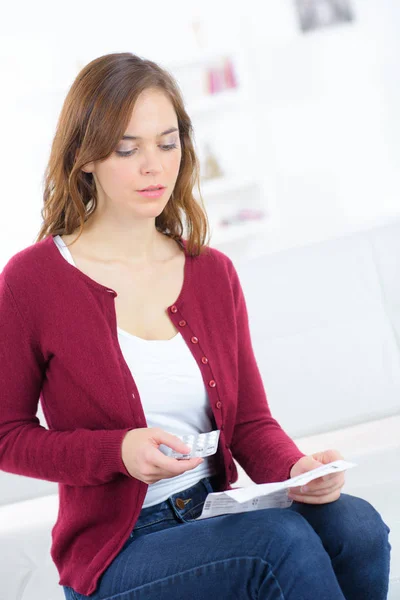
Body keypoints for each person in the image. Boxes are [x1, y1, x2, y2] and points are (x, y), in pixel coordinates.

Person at [0, 52, 390, 600]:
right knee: (276, 543)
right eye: (126, 148)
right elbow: (5, 435)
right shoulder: (33, 279)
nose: (153, 166)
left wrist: (299, 468)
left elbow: (251, 423)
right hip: (118, 550)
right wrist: (118, 452)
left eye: (167, 143)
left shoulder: (212, 273)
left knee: (357, 526)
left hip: (214, 512)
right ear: (85, 157)